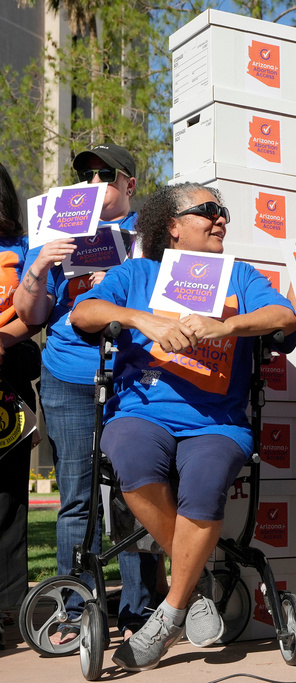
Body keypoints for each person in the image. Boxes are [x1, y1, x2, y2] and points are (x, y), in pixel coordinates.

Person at [68, 182, 296, 671]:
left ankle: (170, 612)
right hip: (141, 413)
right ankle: (194, 583)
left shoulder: (238, 275)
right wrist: (141, 320)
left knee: (207, 477)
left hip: (216, 421)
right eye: (208, 211)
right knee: (129, 453)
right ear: (172, 226)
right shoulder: (137, 272)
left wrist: (226, 326)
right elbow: (84, 313)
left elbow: (284, 315)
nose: (221, 219)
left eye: (223, 212)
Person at [14, 143, 159, 643]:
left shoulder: (149, 236)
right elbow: (32, 317)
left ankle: (139, 609)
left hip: (134, 378)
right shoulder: (54, 234)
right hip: (69, 376)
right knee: (76, 497)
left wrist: (116, 285)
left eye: (106, 175)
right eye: (86, 175)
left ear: (129, 184)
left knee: (132, 494)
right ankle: (73, 606)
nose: (94, 183)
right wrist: (37, 269)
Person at [0, 162, 42, 648]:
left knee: (7, 500)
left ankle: (9, 609)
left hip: (8, 383)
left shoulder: (24, 248)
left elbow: (33, 315)